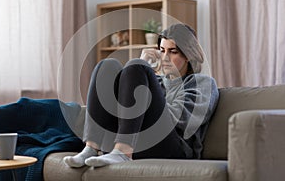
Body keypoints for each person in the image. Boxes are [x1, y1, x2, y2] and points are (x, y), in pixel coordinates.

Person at [63, 23, 219, 168]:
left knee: (137, 66)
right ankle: (91, 148)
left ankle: (123, 151)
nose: (164, 58)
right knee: (107, 65)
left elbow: (179, 121)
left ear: (188, 55)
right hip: (138, 140)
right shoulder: (156, 80)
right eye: (162, 50)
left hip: (173, 148)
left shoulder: (202, 83)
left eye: (173, 52)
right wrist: (145, 75)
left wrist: (144, 73)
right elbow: (127, 106)